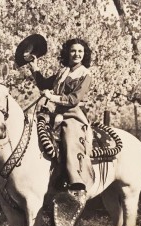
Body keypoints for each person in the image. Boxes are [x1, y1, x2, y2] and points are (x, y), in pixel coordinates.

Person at [29, 38, 94, 205]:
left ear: (84, 54)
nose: (77, 54)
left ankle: (75, 181)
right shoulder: (62, 72)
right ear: (68, 53)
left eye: (80, 51)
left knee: (69, 136)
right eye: (73, 50)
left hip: (73, 114)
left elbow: (73, 99)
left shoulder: (85, 75)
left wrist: (52, 97)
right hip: (54, 112)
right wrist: (35, 68)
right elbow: (44, 84)